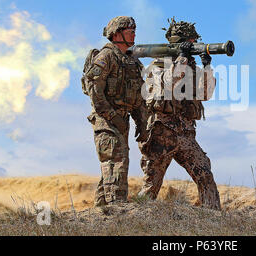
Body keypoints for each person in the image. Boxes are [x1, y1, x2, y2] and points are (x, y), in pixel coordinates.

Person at [138, 18, 221, 210]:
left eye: (194, 42)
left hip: (185, 133)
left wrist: (207, 67)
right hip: (162, 132)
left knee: (205, 175)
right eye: (189, 42)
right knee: (151, 185)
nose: (193, 45)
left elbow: (205, 94)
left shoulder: (193, 69)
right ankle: (135, 217)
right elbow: (170, 84)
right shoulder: (158, 65)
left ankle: (213, 217)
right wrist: (182, 59)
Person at [84, 16, 148, 207]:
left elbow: (138, 95)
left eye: (134, 30)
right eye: (130, 31)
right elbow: (94, 91)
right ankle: (116, 208)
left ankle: (103, 212)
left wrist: (142, 122)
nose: (134, 34)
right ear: (116, 34)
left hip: (122, 120)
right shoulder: (106, 57)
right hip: (106, 120)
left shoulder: (131, 61)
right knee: (115, 163)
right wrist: (112, 116)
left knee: (116, 164)